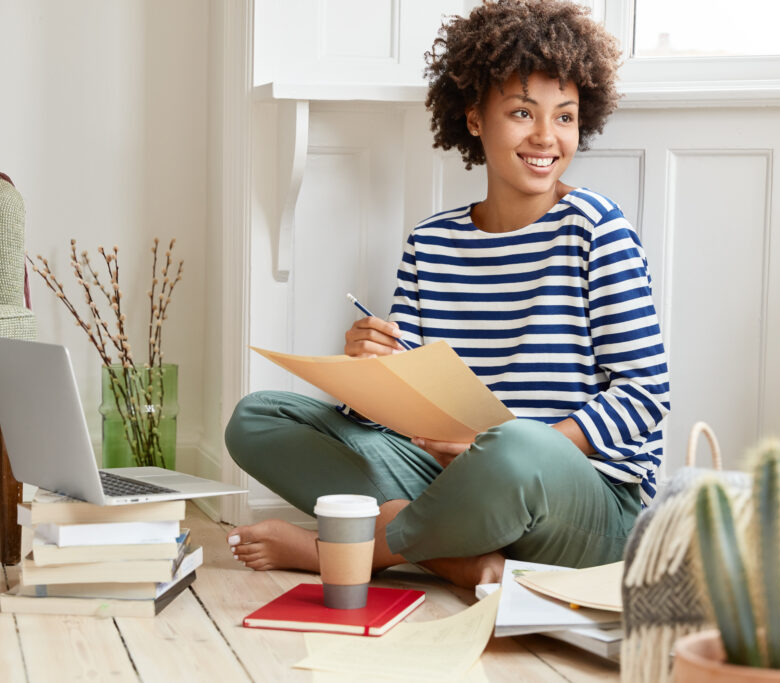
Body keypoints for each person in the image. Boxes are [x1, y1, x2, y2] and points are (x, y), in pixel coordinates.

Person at [224, 0, 669, 588]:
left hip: (580, 499)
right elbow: (391, 414)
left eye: (565, 116)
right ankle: (463, 561)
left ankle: (355, 551)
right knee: (257, 418)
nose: (546, 136)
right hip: (447, 481)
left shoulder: (595, 227)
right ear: (476, 119)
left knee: (514, 448)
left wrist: (500, 449)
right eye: (521, 112)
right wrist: (370, 369)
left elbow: (645, 394)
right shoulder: (431, 242)